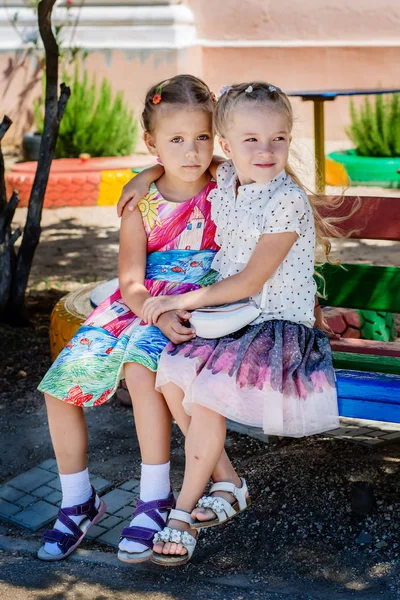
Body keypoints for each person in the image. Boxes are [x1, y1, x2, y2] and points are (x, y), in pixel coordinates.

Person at [36, 74, 243, 563]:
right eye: (175, 140)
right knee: (61, 383)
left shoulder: (224, 186)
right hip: (141, 301)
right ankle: (77, 500)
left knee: (141, 365)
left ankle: (154, 497)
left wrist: (146, 170)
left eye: (202, 138)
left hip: (199, 302)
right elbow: (129, 281)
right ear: (151, 142)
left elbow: (245, 166)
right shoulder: (139, 205)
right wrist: (145, 178)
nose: (191, 152)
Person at [134, 82, 340, 565]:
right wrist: (141, 178)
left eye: (279, 138)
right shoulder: (227, 178)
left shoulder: (285, 200)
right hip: (232, 319)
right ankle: (229, 483)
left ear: (290, 140)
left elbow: (251, 279)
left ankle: (181, 513)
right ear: (227, 146)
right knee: (171, 379)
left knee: (203, 393)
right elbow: (176, 159)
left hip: (275, 329)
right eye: (250, 139)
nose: (266, 150)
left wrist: (180, 300)